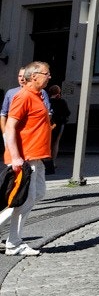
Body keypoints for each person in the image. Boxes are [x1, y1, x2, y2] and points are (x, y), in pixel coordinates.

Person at [1, 62, 53, 256]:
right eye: (46, 74)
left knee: (37, 194)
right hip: (25, 159)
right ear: (35, 76)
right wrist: (15, 157)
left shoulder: (39, 96)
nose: (49, 77)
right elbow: (10, 127)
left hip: (36, 157)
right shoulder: (23, 96)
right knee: (23, 199)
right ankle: (14, 243)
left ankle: (14, 242)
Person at [46, 84, 70, 173]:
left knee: (47, 142)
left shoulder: (47, 101)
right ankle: (53, 162)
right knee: (56, 142)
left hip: (48, 124)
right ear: (58, 92)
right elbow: (67, 113)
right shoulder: (62, 101)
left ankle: (46, 160)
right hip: (59, 124)